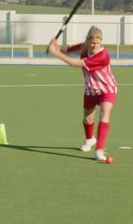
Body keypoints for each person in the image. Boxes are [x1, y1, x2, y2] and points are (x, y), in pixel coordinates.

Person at [48, 25, 118, 162]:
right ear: (87, 40)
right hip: (91, 89)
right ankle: (90, 139)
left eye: (98, 43)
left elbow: (75, 64)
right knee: (87, 120)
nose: (95, 46)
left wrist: (55, 53)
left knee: (104, 114)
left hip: (107, 88)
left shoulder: (102, 56)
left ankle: (99, 150)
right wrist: (55, 47)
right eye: (92, 43)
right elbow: (66, 51)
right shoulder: (83, 47)